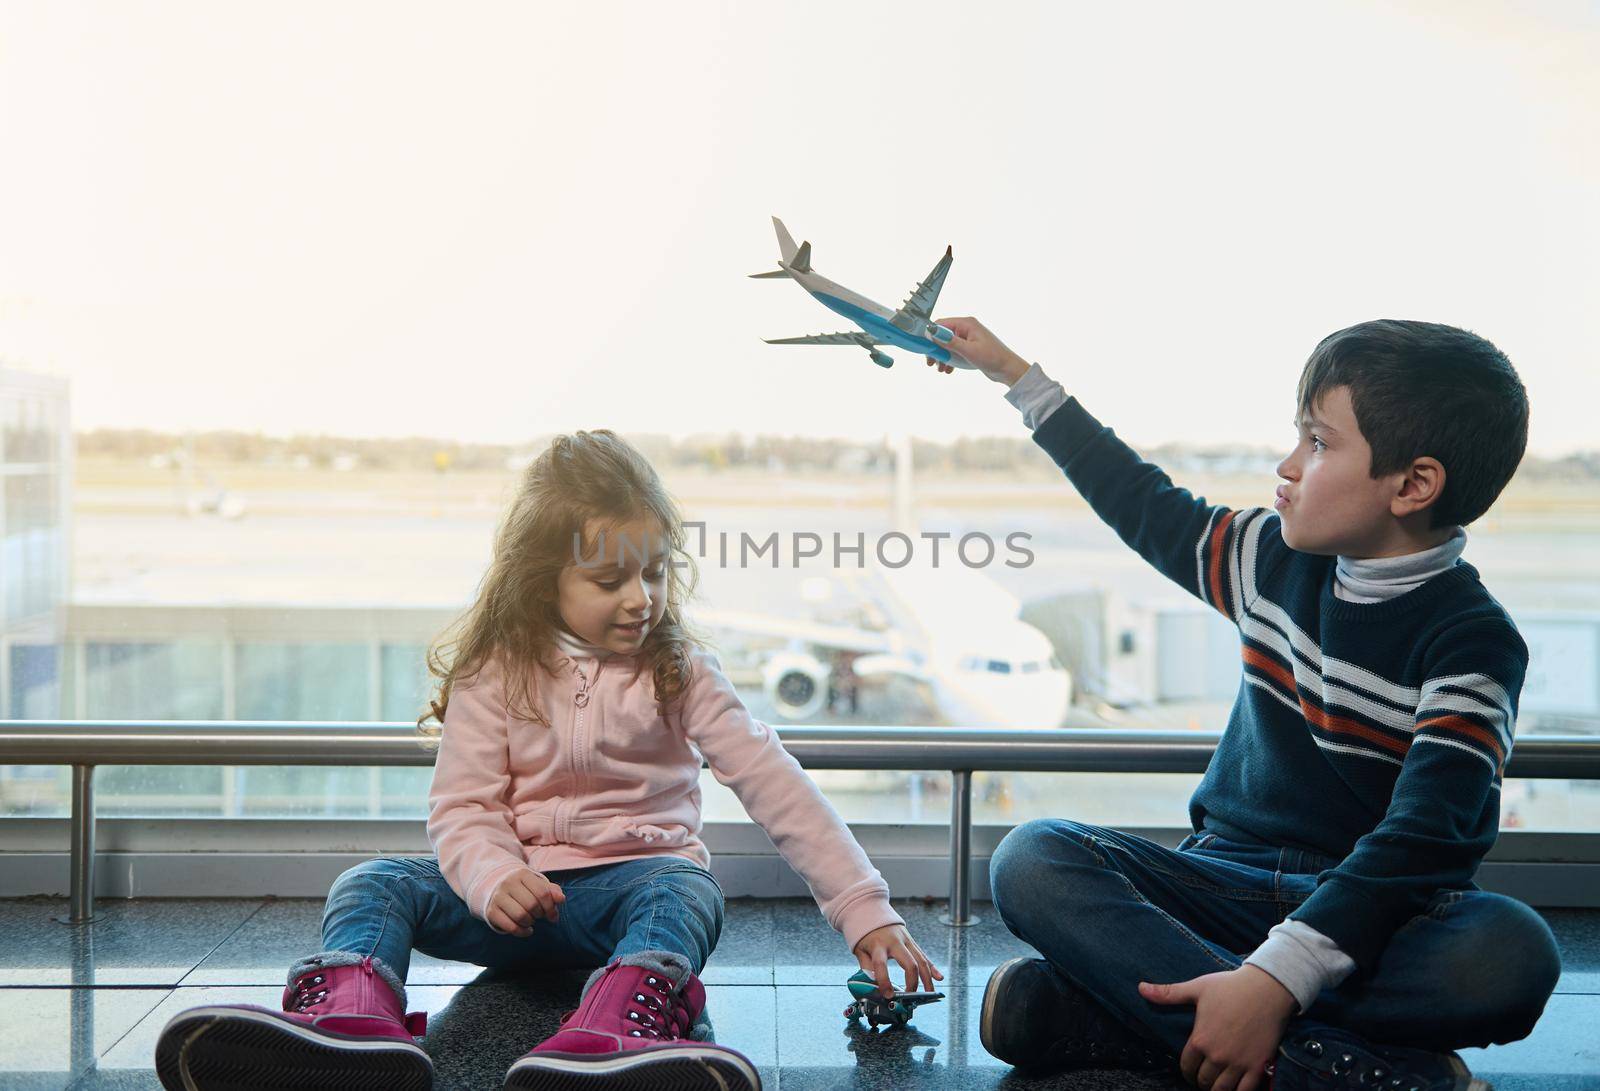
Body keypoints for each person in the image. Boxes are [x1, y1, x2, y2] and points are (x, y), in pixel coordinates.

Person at [153, 428, 941, 1091]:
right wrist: (495, 876)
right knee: (373, 882)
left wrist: (863, 907)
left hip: (629, 894)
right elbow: (463, 806)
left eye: (655, 571)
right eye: (610, 579)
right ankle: (345, 1027)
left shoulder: (680, 670)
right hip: (510, 902)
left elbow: (776, 785)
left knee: (688, 889)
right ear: (544, 581)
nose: (641, 597)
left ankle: (615, 1032)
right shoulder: (496, 666)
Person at [924, 317, 1561, 1091]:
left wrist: (1275, 978)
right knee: (1034, 855)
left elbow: (1425, 839)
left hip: (1371, 914)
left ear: (1413, 485)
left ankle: (1132, 1021)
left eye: (1319, 444)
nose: (1286, 465)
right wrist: (1019, 377)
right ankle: (1309, 1063)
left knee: (1509, 954)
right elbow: (1143, 501)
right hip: (1219, 888)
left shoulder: (1474, 642)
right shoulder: (1267, 557)